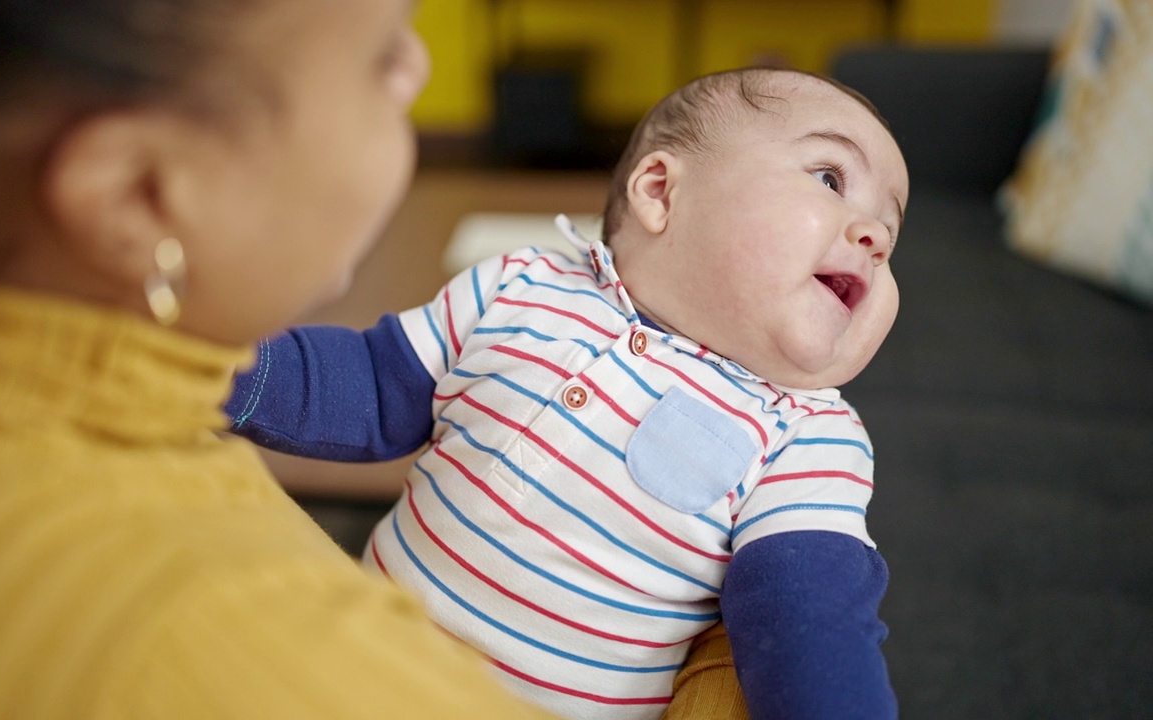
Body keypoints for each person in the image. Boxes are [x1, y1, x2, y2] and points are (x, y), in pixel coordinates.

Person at [0, 1, 747, 718]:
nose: (421, 74)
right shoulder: (250, 656)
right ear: (141, 192)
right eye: (379, 59)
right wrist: (722, 633)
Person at [227, 66, 908, 719]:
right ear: (662, 193)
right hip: (361, 662)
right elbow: (373, 388)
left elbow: (809, 619)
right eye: (829, 178)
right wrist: (226, 367)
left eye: (892, 228)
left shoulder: (809, 435)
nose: (874, 237)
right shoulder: (524, 284)